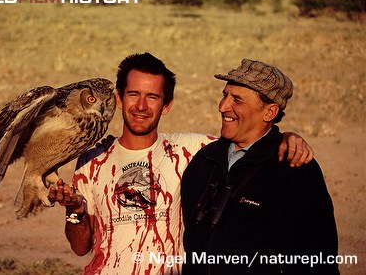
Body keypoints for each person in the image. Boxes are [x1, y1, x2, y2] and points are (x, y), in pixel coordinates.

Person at [49, 53, 314, 274]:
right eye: (133, 94)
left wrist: (288, 137)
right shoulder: (91, 160)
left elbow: (249, 137)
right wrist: (75, 210)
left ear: (167, 105)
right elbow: (80, 247)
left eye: (152, 97)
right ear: (118, 99)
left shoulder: (191, 150)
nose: (141, 106)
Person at [181, 59, 339, 274]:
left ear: (269, 112)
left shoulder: (294, 169)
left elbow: (319, 258)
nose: (222, 106)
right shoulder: (205, 159)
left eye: (237, 99)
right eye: (224, 95)